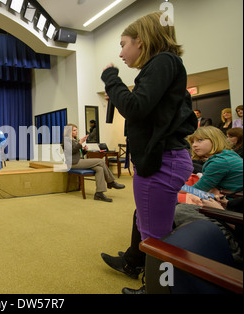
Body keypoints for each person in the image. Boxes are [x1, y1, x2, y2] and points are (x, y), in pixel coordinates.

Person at [99, 11, 197, 290]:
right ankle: (135, 264)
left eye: (122, 44)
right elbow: (142, 108)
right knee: (147, 224)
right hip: (161, 160)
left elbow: (135, 108)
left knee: (157, 237)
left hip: (162, 162)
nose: (120, 53)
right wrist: (119, 92)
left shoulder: (164, 61)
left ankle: (156, 289)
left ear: (140, 41)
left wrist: (110, 78)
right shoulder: (163, 65)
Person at [63, 124, 125, 202]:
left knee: (99, 169)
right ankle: (111, 182)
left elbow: (78, 153)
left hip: (79, 161)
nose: (76, 132)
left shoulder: (74, 140)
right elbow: (71, 152)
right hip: (73, 163)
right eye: (74, 130)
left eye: (76, 130)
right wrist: (80, 143)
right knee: (100, 161)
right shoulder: (66, 140)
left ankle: (99, 193)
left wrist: (84, 150)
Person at [189, 126, 243, 195]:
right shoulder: (228, 155)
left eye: (200, 140)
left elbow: (196, 190)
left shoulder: (219, 162)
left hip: (232, 202)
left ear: (215, 140)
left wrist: (174, 187)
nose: (194, 145)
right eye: (192, 142)